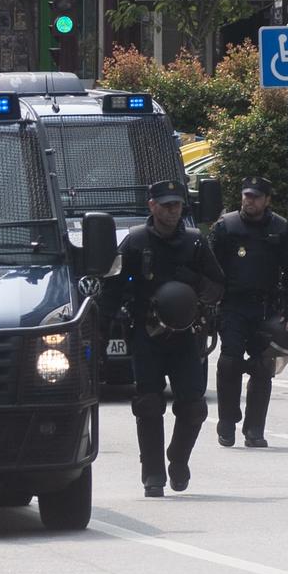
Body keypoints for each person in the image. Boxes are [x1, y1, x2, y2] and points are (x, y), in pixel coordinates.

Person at [96, 180, 225, 498]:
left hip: (185, 336)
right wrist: (97, 336)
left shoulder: (195, 244)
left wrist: (192, 280)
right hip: (146, 334)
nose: (172, 210)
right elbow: (112, 290)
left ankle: (178, 460)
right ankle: (152, 473)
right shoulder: (135, 242)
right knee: (149, 403)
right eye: (166, 205)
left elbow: (218, 287)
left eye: (177, 205)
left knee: (193, 406)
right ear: (151, 206)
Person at [210, 177, 288, 449]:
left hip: (266, 307)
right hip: (233, 306)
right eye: (246, 196)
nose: (249, 201)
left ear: (267, 200)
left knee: (263, 368)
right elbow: (208, 267)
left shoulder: (279, 228)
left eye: (256, 197)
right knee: (229, 362)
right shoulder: (225, 227)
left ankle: (254, 429)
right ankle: (227, 421)